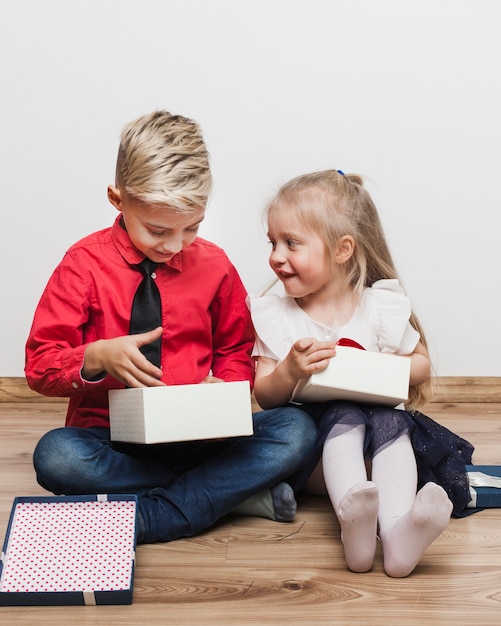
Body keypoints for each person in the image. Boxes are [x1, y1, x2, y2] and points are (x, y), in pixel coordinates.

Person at [25, 110, 317, 544]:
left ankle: (151, 514)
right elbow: (40, 367)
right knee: (57, 457)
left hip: (204, 435)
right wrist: (96, 357)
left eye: (192, 228)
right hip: (111, 437)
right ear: (117, 199)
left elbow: (235, 348)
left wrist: (226, 390)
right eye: (158, 230)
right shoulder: (82, 266)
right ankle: (224, 495)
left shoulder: (215, 265)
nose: (175, 244)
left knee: (298, 430)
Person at [248, 169, 474, 577]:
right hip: (316, 453)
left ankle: (397, 532)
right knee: (344, 416)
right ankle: (355, 525)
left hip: (377, 448)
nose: (276, 256)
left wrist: (382, 369)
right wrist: (290, 371)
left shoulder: (378, 307)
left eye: (291, 243)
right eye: (273, 242)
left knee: (393, 420)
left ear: (342, 249)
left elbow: (420, 365)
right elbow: (265, 395)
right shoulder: (276, 316)